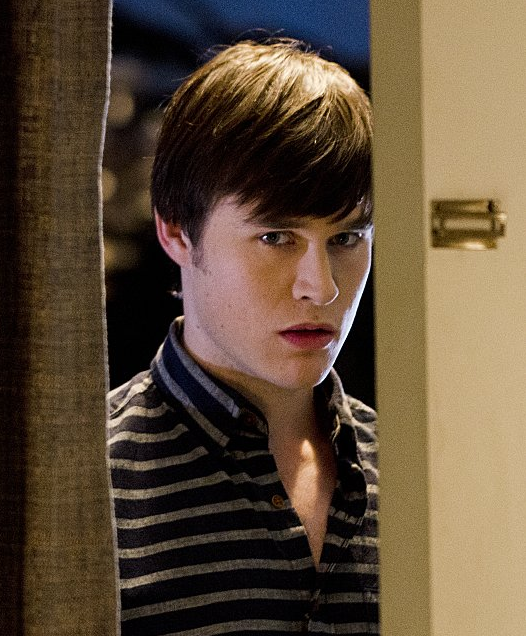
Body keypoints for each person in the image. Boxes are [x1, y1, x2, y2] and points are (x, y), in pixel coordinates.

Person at [107, 38, 378, 635]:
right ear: (177, 232)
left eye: (346, 239)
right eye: (275, 238)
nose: (321, 288)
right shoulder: (87, 485)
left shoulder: (414, 471)